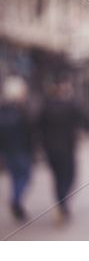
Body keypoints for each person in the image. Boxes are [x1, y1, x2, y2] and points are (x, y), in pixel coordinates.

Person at [38, 78, 85, 222]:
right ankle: (62, 204)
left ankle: (61, 203)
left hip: (51, 149)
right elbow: (85, 118)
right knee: (69, 177)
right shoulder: (70, 105)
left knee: (58, 178)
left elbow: (36, 126)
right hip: (66, 148)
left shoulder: (46, 106)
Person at [0, 76, 33, 221]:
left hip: (9, 150)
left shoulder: (3, 109)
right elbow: (30, 130)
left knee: (15, 177)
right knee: (25, 176)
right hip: (20, 149)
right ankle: (16, 199)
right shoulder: (21, 110)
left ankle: (16, 201)